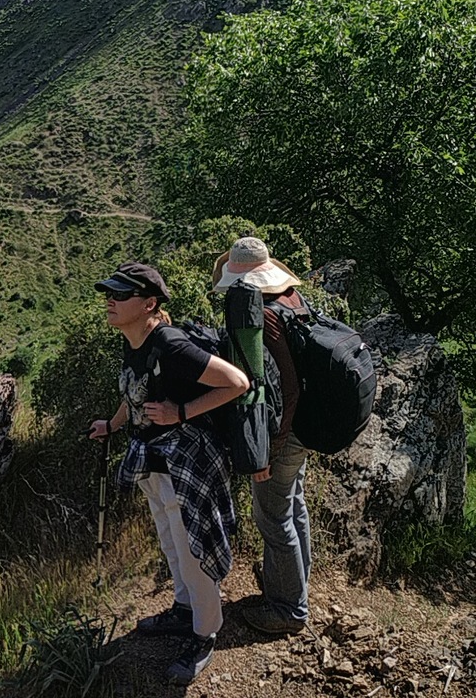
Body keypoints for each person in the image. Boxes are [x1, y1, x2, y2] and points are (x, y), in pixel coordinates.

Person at [87, 262, 250, 685]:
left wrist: (181, 412)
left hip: (186, 462)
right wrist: (114, 424)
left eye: (120, 295)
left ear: (149, 304)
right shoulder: (134, 339)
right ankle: (184, 609)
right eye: (110, 291)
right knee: (170, 538)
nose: (110, 300)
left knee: (193, 548)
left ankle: (205, 633)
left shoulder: (170, 344)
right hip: (154, 460)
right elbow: (134, 390)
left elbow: (236, 382)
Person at [212, 236, 312, 636]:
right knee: (293, 507)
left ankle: (289, 608)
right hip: (305, 427)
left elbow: (282, 389)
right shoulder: (292, 300)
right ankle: (295, 584)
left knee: (273, 518)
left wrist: (266, 450)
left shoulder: (262, 318)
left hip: (284, 433)